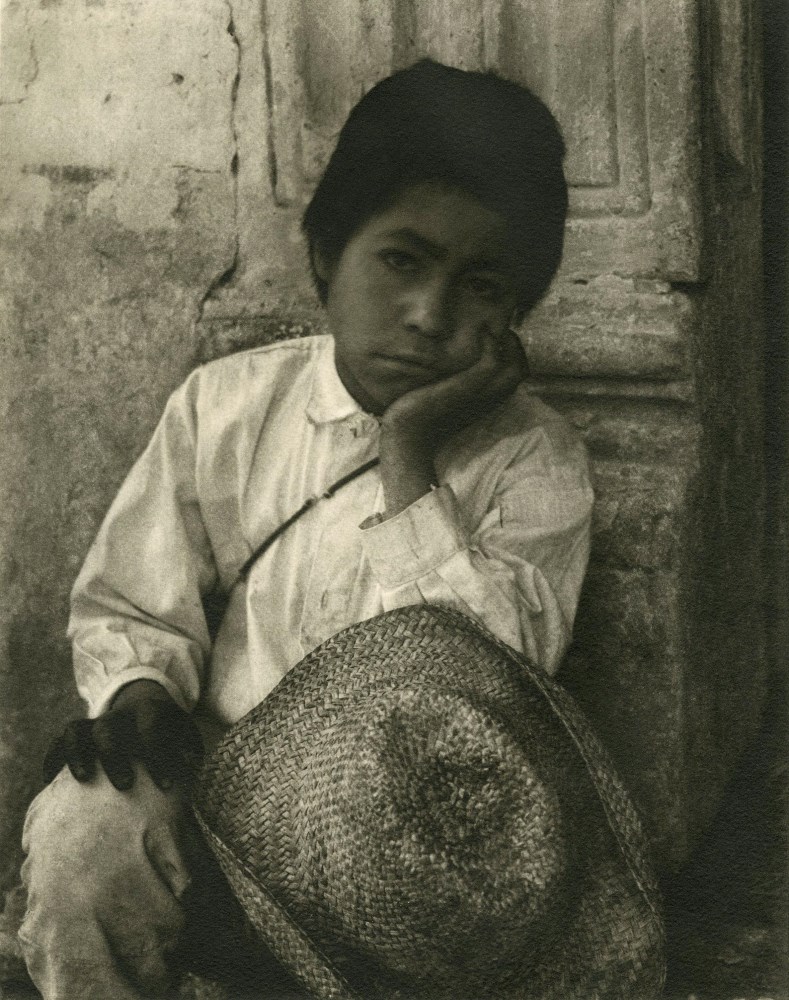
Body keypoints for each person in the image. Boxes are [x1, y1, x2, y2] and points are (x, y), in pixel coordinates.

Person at [18, 59, 594, 998]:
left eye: (479, 283)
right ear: (328, 253)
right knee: (86, 833)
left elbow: (490, 685)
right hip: (212, 795)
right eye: (400, 261)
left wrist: (410, 450)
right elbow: (134, 601)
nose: (428, 314)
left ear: (516, 310)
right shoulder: (228, 406)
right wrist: (136, 696)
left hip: (401, 852)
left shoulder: (534, 459)